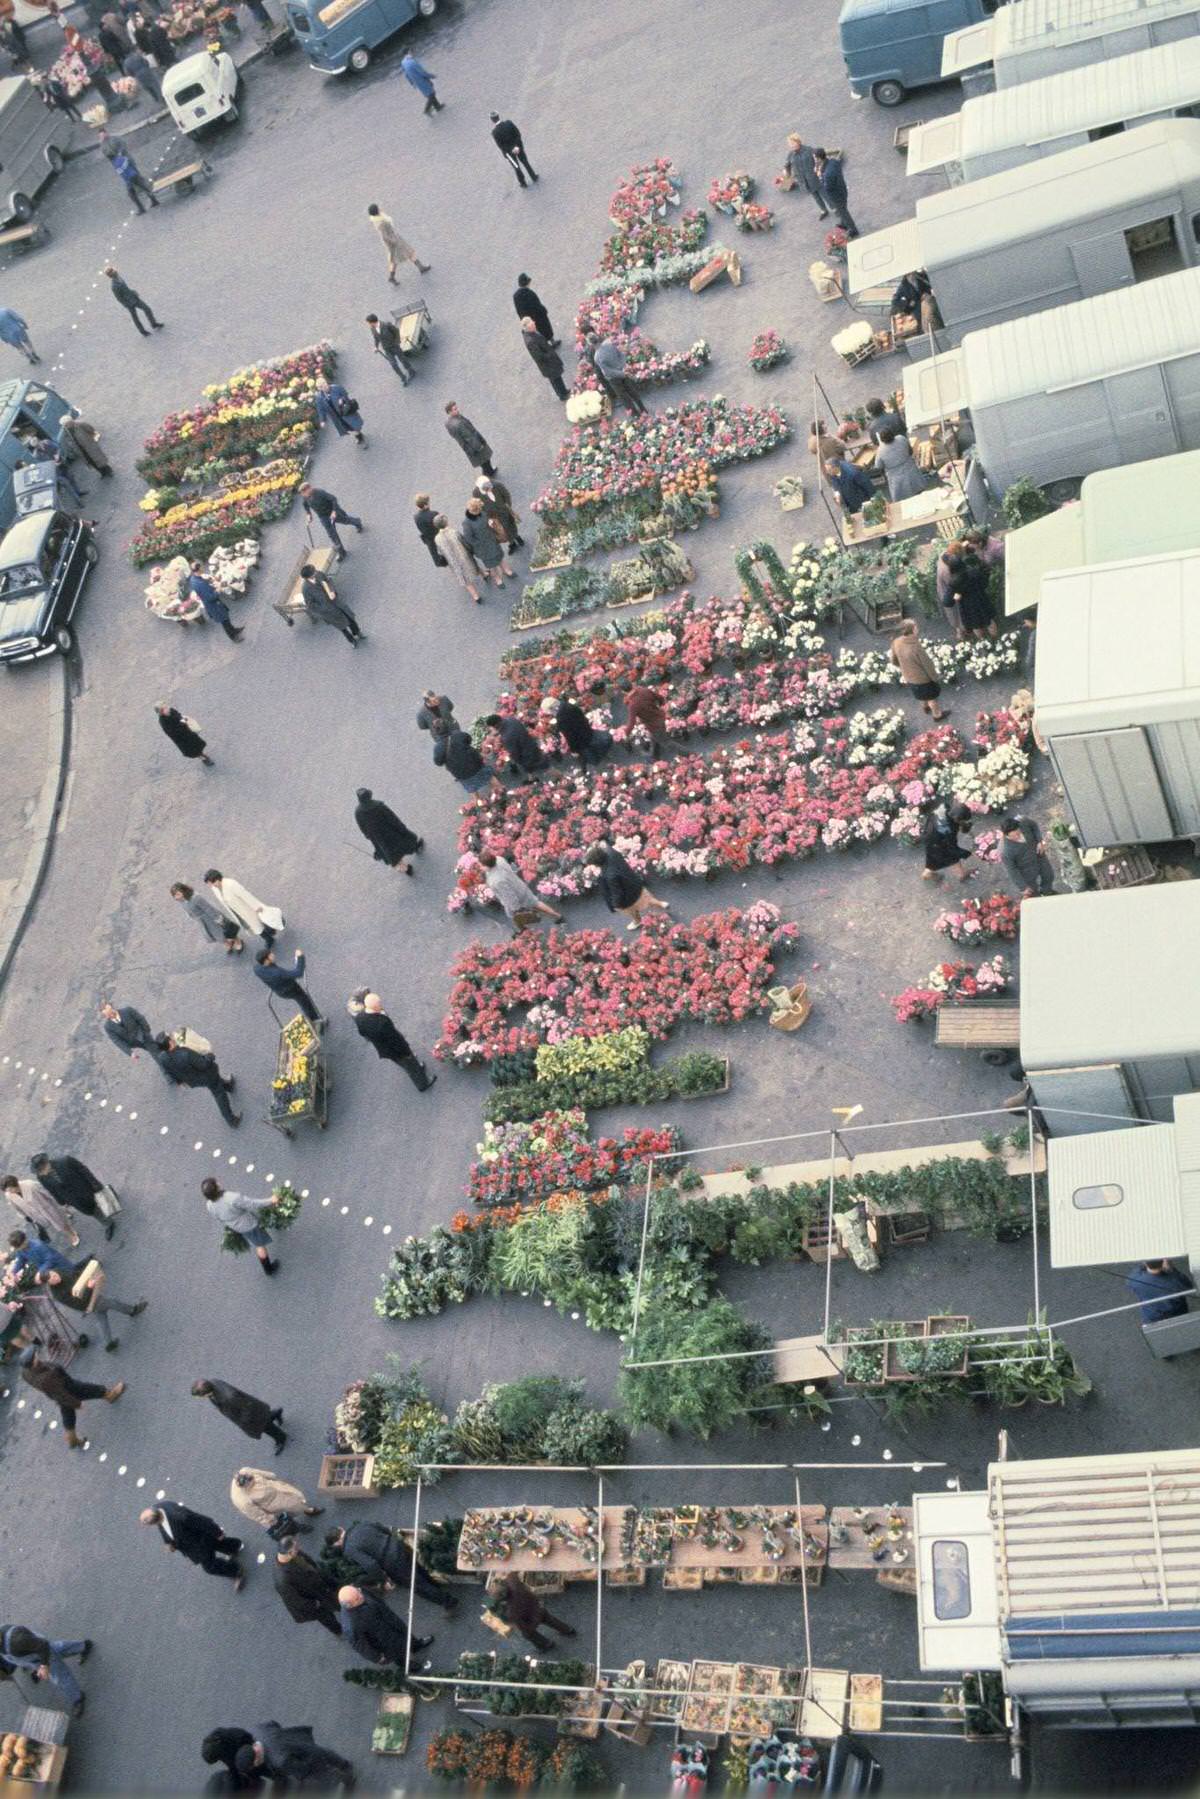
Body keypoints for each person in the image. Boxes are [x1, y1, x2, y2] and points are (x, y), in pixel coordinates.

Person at [327, 1521, 458, 1611]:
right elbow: (384, 1529)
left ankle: (448, 1601)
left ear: (337, 1543)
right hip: (399, 1546)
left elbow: (370, 1564)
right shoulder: (360, 1525)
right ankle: (436, 1586)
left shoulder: (349, 1549)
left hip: (393, 1562)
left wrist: (383, 1580)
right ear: (341, 1529)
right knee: (419, 1569)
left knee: (417, 1585)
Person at [19, 1344, 123, 1449]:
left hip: (56, 1392)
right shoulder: (46, 1378)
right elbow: (62, 1394)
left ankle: (72, 1439)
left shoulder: (25, 1373)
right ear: (33, 1361)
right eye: (35, 1355)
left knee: (68, 1413)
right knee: (91, 1389)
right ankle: (111, 1395)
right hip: (68, 1388)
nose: (37, 1354)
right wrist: (77, 1403)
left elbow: (56, 1394)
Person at [35, 1259, 146, 1353]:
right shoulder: (58, 1294)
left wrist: (87, 1277)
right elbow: (76, 1302)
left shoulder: (57, 1271)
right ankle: (133, 1310)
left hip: (89, 1295)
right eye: (53, 1279)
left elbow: (74, 1274)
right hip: (87, 1301)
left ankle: (109, 1343)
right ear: (49, 1283)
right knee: (112, 1303)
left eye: (54, 1275)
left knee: (102, 1318)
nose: (56, 1277)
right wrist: (89, 1287)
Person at [140, 1502, 245, 1587]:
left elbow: (199, 1521)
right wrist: (170, 1544)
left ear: (155, 1520)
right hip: (198, 1538)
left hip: (199, 1543)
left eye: (146, 1521)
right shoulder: (158, 1509)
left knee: (210, 1567)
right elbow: (165, 1530)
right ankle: (236, 1546)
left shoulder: (179, 1516)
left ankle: (236, 1570)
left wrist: (217, 1531)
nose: (144, 1523)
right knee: (217, 1543)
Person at [349, 990, 435, 1091]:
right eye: (379, 1004)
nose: (381, 1005)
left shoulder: (360, 1017)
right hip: (396, 1050)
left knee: (405, 1064)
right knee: (409, 1063)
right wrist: (406, 1052)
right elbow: (395, 1041)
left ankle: (417, 1068)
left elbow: (362, 1033)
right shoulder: (382, 1022)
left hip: (384, 1049)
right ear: (375, 1007)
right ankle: (423, 1084)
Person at [0, 1626, 91, 1716]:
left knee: (60, 1677)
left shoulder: (16, 1641)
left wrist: (44, 1666)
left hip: (40, 1652)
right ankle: (83, 1646)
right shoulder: (5, 1640)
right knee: (57, 1649)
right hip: (33, 1652)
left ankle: (77, 1698)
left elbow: (43, 1645)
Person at [30, 1152, 118, 1242]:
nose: (42, 1173)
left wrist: (95, 1184)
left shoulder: (65, 1161)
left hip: (86, 1187)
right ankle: (108, 1223)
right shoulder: (41, 1177)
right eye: (39, 1172)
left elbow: (84, 1170)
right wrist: (62, 1202)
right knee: (91, 1211)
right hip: (74, 1199)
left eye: (42, 1170)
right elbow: (52, 1189)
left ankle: (112, 1199)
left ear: (47, 1163)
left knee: (103, 1198)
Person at [158, 1035, 242, 1127]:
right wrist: (210, 1056)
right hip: (207, 1075)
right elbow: (203, 1064)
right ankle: (231, 1120)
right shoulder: (185, 1054)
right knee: (219, 1094)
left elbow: (170, 1072)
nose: (172, 1037)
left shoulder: (162, 1057)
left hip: (194, 1080)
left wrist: (180, 1082)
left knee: (216, 1083)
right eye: (170, 1038)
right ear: (170, 1043)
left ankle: (228, 1086)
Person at [338, 1584, 431, 1665]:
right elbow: (360, 1646)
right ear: (349, 1605)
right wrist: (377, 1658)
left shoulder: (358, 1592)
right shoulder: (351, 1625)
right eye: (357, 1598)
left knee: (406, 1634)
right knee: (399, 1654)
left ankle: (416, 1646)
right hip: (385, 1640)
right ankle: (409, 1666)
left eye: (359, 1592)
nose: (361, 1596)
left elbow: (376, 1599)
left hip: (391, 1622)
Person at [235, 1724, 354, 1788]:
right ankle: (344, 1763)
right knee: (324, 1752)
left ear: (256, 1759)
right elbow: (273, 1724)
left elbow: (302, 1770)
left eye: (253, 1766)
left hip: (304, 1756)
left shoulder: (279, 1760)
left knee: (323, 1774)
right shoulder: (257, 1731)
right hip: (298, 1738)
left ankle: (346, 1778)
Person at [585, 843, 669, 930]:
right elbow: (606, 846)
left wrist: (615, 905)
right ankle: (662, 904)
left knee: (631, 911)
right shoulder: (612, 853)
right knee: (647, 899)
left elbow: (617, 892)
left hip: (629, 897)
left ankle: (637, 921)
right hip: (635, 884)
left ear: (597, 863)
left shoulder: (609, 875)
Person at [201, 1180, 278, 1270]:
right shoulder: (232, 1198)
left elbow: (218, 1218)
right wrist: (270, 1200)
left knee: (257, 1240)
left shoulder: (209, 1205)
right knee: (260, 1245)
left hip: (237, 1226)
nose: (218, 1182)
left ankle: (268, 1268)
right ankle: (268, 1269)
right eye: (216, 1182)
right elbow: (252, 1204)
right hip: (249, 1225)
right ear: (217, 1187)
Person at [193, 1378, 287, 1451]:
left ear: (206, 1393)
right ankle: (275, 1413)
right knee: (265, 1419)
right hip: (254, 1409)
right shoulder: (213, 1383)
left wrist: (244, 1423)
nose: (198, 1398)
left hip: (254, 1415)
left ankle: (281, 1438)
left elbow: (247, 1408)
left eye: (199, 1396)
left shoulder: (229, 1398)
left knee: (266, 1428)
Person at [479, 851, 561, 934]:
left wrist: (516, 909)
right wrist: (487, 884)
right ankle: (557, 915)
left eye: (481, 865)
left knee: (514, 917)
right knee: (536, 903)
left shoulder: (496, 881)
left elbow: (509, 896)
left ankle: (524, 931)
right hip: (520, 887)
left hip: (517, 900)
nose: (480, 867)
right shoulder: (499, 859)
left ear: (486, 866)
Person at [272, 1541, 342, 1637]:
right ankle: (337, 1630)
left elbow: (310, 1562)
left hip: (320, 1588)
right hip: (314, 1600)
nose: (299, 1549)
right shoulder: (282, 1579)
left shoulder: (293, 1555)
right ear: (289, 1553)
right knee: (327, 1617)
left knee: (334, 1602)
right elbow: (295, 1600)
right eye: (296, 1549)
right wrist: (316, 1604)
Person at [231, 1467, 322, 1537]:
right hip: (273, 1504)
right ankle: (299, 1526)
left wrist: (271, 1476)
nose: (254, 1480)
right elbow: (258, 1516)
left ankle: (306, 1510)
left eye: (252, 1478)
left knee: (296, 1497)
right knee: (288, 1515)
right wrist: (272, 1521)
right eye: (251, 1481)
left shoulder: (245, 1471)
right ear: (245, 1486)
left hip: (278, 1488)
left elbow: (262, 1473)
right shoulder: (243, 1501)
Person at [354, 787, 422, 876]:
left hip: (378, 839)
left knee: (391, 856)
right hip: (391, 831)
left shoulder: (358, 812)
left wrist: (369, 836)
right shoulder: (379, 806)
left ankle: (406, 869)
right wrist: (402, 827)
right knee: (405, 840)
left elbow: (362, 827)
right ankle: (415, 847)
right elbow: (393, 818)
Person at [502, 1572, 577, 1652]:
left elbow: (522, 1626)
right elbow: (512, 1575)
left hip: (532, 1621)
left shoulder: (511, 1611)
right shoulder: (514, 1584)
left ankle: (546, 1644)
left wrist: (527, 1632)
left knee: (529, 1635)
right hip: (538, 1608)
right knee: (551, 1620)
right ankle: (568, 1630)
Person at [204, 871, 285, 945]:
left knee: (257, 923)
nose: (211, 886)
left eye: (211, 883)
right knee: (252, 925)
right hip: (237, 911)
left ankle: (269, 938)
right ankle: (269, 934)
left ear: (217, 879)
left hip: (246, 908)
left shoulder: (231, 884)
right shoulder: (215, 889)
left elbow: (245, 895)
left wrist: (255, 906)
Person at [890, 620, 947, 720]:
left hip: (909, 677)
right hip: (922, 679)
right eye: (916, 627)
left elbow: (893, 660)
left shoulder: (896, 642)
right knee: (932, 698)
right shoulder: (915, 647)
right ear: (912, 630)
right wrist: (935, 678)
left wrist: (904, 667)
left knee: (920, 695)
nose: (918, 628)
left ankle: (925, 708)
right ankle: (937, 715)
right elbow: (927, 665)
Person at [253, 947, 324, 1028]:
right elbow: (298, 973)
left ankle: (314, 1019)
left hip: (279, 989)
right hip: (291, 989)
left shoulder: (256, 968)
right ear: (266, 961)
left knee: (302, 1001)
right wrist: (300, 957)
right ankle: (315, 1020)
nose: (273, 955)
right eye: (271, 955)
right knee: (305, 1002)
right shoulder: (277, 973)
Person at [2, 1173, 79, 1247]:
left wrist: (59, 1202)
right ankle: (65, 1212)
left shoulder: (30, 1185)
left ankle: (72, 1234)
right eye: (7, 1190)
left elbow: (48, 1193)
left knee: (59, 1223)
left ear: (15, 1184)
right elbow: (16, 1207)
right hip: (35, 1214)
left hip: (47, 1207)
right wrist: (25, 1216)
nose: (9, 1192)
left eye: (10, 1189)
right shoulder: (9, 1195)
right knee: (56, 1220)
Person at [170, 881, 243, 954]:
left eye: (177, 894)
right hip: (203, 922)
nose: (176, 897)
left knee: (225, 931)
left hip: (211, 918)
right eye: (174, 895)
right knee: (216, 935)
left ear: (183, 891)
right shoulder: (182, 901)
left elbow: (208, 908)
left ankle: (238, 942)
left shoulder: (196, 898)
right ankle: (228, 943)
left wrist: (218, 919)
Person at [544, 694, 612, 769]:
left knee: (592, 755)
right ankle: (605, 755)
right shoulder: (568, 705)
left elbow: (569, 736)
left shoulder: (560, 718)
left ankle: (601, 764)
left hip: (581, 740)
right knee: (596, 744)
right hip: (586, 730)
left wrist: (573, 749)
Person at [299, 564, 364, 643]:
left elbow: (328, 580)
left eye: (315, 571)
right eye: (313, 572)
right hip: (329, 611)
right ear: (308, 577)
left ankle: (357, 633)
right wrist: (324, 608)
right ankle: (352, 641)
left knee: (351, 619)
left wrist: (332, 590)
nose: (316, 572)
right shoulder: (306, 589)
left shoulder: (318, 574)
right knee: (342, 627)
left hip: (338, 603)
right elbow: (311, 605)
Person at [366, 202, 429, 282]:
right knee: (408, 252)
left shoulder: (379, 218)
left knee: (398, 257)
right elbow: (385, 236)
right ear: (376, 211)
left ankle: (392, 277)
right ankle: (421, 268)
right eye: (378, 208)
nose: (380, 208)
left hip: (394, 239)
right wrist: (394, 241)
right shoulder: (381, 223)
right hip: (394, 242)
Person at [431, 717, 496, 793]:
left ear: (436, 732)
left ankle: (478, 800)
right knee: (489, 777)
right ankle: (500, 790)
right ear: (448, 726)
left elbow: (438, 762)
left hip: (460, 773)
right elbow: (469, 739)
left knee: (471, 787)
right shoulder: (459, 735)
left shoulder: (438, 748)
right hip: (475, 763)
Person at [460, 496, 514, 587]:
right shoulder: (467, 523)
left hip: (492, 540)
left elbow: (486, 521)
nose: (481, 510)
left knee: (499, 556)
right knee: (491, 565)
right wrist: (480, 543)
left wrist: (490, 524)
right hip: (482, 547)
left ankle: (506, 570)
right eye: (479, 509)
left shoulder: (482, 513)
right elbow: (469, 538)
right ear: (474, 510)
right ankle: (497, 578)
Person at [300, 482, 363, 557]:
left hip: (332, 511)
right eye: (302, 494)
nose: (303, 495)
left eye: (304, 492)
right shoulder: (306, 497)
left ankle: (357, 522)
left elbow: (334, 499)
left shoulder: (320, 492)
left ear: (309, 489)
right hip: (323, 517)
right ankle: (342, 552)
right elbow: (305, 505)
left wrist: (334, 511)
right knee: (332, 535)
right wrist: (308, 514)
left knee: (346, 520)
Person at [588, 333, 645, 415]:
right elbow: (621, 355)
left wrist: (621, 373)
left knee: (624, 397)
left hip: (614, 378)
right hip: (622, 371)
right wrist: (622, 368)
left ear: (591, 344)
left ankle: (636, 414)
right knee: (632, 391)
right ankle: (643, 409)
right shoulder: (609, 345)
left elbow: (608, 371)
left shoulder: (597, 356)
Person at [999, 815, 1054, 899]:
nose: (1018, 837)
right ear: (1006, 835)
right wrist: (1022, 887)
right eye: (1014, 836)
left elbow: (1034, 826)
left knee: (1049, 876)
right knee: (1031, 891)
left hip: (1038, 856)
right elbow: (1012, 870)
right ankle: (1038, 900)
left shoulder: (1023, 823)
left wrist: (1040, 842)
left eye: (1019, 833)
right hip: (1026, 870)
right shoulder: (1005, 852)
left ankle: (1047, 892)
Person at [432, 513, 482, 604]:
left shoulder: (437, 539)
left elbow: (440, 552)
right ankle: (484, 574)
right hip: (464, 556)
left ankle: (476, 596)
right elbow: (464, 542)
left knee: (465, 578)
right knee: (474, 565)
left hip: (453, 561)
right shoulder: (454, 532)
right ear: (446, 523)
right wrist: (471, 550)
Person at [484, 711, 548, 781]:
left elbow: (514, 752)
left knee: (546, 767)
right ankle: (531, 779)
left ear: (496, 725)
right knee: (528, 768)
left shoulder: (506, 737)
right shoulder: (511, 719)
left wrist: (517, 760)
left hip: (526, 754)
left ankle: (559, 776)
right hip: (530, 744)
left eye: (492, 727)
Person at [921, 799, 973, 883]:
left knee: (932, 858)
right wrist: (968, 853)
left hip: (929, 835)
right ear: (957, 819)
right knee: (952, 858)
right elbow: (952, 848)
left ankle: (927, 873)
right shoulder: (947, 830)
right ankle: (962, 875)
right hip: (937, 845)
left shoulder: (944, 806)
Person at [100, 999, 162, 1069]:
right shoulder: (108, 1027)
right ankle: (167, 1047)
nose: (111, 1015)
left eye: (111, 1011)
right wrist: (130, 1053)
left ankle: (168, 1067)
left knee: (157, 1054)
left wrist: (146, 1033)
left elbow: (141, 1019)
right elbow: (117, 1041)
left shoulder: (127, 1010)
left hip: (144, 1037)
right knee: (156, 1048)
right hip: (134, 1043)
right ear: (105, 1016)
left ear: (112, 1007)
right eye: (108, 1015)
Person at [186, 563, 242, 641]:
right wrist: (218, 590)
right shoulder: (199, 584)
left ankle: (234, 630)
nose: (203, 567)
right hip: (214, 606)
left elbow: (205, 589)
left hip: (213, 604)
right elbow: (211, 597)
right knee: (224, 621)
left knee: (226, 618)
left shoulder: (194, 578)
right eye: (201, 566)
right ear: (199, 569)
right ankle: (233, 637)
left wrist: (210, 583)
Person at [1126, 1259, 1192, 1324]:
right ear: (1163, 1262)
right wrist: (1172, 1270)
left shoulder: (1135, 1278)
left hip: (1152, 1315)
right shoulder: (1174, 1280)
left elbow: (1130, 1284)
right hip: (1177, 1312)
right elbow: (1188, 1286)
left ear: (1145, 1263)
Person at [874, 425, 931, 502]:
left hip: (897, 479)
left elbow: (878, 466)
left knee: (905, 501)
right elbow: (910, 451)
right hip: (911, 471)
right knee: (921, 496)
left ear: (882, 439)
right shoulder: (901, 438)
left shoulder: (880, 451)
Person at [103, 264, 162, 334]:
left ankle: (153, 324)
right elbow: (119, 298)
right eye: (114, 271)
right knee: (135, 317)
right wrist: (127, 305)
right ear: (111, 275)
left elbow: (126, 288)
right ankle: (142, 331)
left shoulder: (119, 278)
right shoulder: (114, 286)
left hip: (133, 297)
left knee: (147, 309)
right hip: (129, 303)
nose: (116, 271)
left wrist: (133, 292)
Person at [521, 316, 569, 400]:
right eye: (532, 324)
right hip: (547, 364)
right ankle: (562, 395)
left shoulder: (531, 334)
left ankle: (564, 391)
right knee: (555, 379)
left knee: (557, 377)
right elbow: (539, 356)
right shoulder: (531, 341)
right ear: (528, 327)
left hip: (548, 362)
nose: (534, 324)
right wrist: (550, 354)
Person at [813, 147, 857, 237]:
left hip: (836, 196)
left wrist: (820, 176)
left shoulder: (827, 174)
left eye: (814, 158)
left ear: (819, 158)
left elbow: (827, 187)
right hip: (842, 189)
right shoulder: (833, 161)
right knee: (842, 210)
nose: (814, 160)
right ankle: (843, 223)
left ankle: (853, 229)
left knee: (843, 212)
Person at [443, 401, 495, 475]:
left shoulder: (448, 423)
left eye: (456, 408)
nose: (457, 410)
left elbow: (454, 435)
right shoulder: (459, 423)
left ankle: (488, 472)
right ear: (449, 412)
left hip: (467, 447)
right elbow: (469, 437)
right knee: (485, 459)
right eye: (455, 409)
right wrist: (479, 446)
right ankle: (489, 473)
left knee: (482, 462)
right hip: (475, 445)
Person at [314, 375, 366, 449]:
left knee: (354, 425)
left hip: (345, 412)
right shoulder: (319, 398)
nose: (323, 386)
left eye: (324, 383)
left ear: (326, 382)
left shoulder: (336, 388)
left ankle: (360, 438)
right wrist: (322, 420)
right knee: (347, 428)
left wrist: (342, 399)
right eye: (320, 386)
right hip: (336, 416)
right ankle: (358, 435)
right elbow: (320, 409)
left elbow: (346, 395)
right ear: (319, 388)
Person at [781, 133, 826, 216]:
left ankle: (835, 209)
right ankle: (823, 210)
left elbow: (819, 159)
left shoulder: (809, 150)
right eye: (790, 144)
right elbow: (787, 165)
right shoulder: (791, 154)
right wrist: (786, 171)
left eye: (793, 143)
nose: (791, 145)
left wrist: (819, 169)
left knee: (825, 195)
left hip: (815, 178)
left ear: (798, 142)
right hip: (805, 181)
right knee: (816, 197)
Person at [156, 702, 213, 766]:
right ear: (161, 712)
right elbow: (172, 732)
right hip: (182, 739)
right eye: (164, 708)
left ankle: (202, 755)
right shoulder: (163, 722)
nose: (167, 708)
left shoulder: (171, 710)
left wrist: (182, 719)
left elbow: (178, 714)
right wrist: (182, 723)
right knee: (193, 751)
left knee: (197, 745)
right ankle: (204, 758)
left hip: (188, 733)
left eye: (166, 706)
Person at [474, 474, 522, 550]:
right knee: (502, 530)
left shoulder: (497, 485)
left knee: (510, 525)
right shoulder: (476, 493)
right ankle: (512, 542)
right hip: (492, 515)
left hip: (504, 510)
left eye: (489, 488)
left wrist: (508, 506)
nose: (488, 490)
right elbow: (479, 506)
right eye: (486, 490)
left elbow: (507, 495)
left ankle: (516, 537)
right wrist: (486, 517)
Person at [490, 110, 537, 185]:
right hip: (518, 147)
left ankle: (523, 182)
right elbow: (518, 134)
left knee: (516, 167)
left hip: (509, 153)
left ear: (492, 120)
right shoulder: (509, 123)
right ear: (498, 116)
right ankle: (533, 176)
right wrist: (516, 147)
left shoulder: (495, 132)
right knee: (525, 162)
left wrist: (510, 150)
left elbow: (501, 146)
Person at [623, 682, 668, 758]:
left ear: (623, 691)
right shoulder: (644, 690)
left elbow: (632, 722)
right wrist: (659, 706)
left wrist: (626, 734)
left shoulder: (632, 705)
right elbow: (660, 698)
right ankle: (654, 753)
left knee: (665, 741)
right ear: (631, 685)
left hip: (653, 724)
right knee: (655, 737)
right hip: (660, 716)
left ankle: (688, 753)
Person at [367, 312, 413, 384]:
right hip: (387, 349)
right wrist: (376, 346)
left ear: (372, 322)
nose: (369, 324)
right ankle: (402, 377)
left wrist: (397, 342)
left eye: (369, 323)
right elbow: (376, 338)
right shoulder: (372, 329)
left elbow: (396, 331)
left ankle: (411, 370)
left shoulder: (386, 325)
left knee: (402, 359)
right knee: (393, 364)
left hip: (394, 346)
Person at [62, 413, 112, 477]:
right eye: (64, 425)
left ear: (70, 421)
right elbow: (68, 439)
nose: (65, 426)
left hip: (89, 445)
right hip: (81, 449)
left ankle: (109, 471)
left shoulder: (80, 424)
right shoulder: (66, 430)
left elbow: (91, 429)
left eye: (66, 424)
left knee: (98, 459)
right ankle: (102, 472)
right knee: (91, 461)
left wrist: (91, 438)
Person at [513, 272, 557, 345]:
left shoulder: (516, 296)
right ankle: (552, 341)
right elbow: (537, 305)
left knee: (537, 335)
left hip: (528, 320)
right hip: (538, 316)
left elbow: (519, 310)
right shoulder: (529, 293)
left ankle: (546, 346)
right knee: (546, 329)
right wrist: (544, 310)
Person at [110, 145, 158, 212]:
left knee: (132, 195)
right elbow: (130, 163)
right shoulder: (122, 157)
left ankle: (141, 208)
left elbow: (123, 174)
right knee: (144, 187)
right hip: (134, 174)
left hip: (130, 179)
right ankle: (154, 200)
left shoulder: (116, 164)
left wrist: (128, 183)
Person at [935, 538, 965, 639]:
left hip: (943, 587)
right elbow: (954, 584)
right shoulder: (947, 571)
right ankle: (960, 629)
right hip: (948, 591)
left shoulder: (943, 554)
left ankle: (960, 628)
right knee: (955, 612)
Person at [412, 495, 445, 565]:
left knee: (436, 556)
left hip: (429, 539)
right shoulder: (434, 514)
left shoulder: (416, 517)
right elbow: (441, 525)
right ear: (425, 505)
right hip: (439, 536)